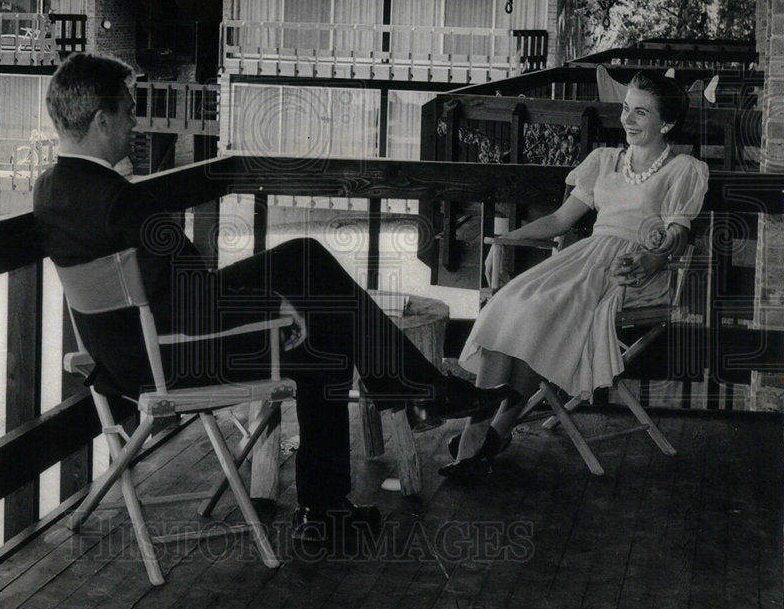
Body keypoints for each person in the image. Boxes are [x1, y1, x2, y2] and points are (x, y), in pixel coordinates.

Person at [33, 53, 512, 542]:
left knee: (304, 257)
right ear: (102, 119)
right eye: (131, 110)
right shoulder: (123, 200)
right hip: (173, 353)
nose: (136, 121)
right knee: (324, 343)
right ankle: (337, 497)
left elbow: (180, 289)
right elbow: (195, 303)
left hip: (124, 356)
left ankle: (413, 394)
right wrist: (272, 308)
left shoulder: (49, 190)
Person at [442, 70, 709, 479]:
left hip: (632, 270)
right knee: (508, 302)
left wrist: (652, 259)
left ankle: (491, 432)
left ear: (666, 123)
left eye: (641, 113)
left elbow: (676, 233)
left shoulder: (683, 169)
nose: (629, 120)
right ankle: (484, 425)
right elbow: (560, 220)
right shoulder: (604, 162)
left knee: (539, 312)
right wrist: (504, 241)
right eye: (626, 109)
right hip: (585, 259)